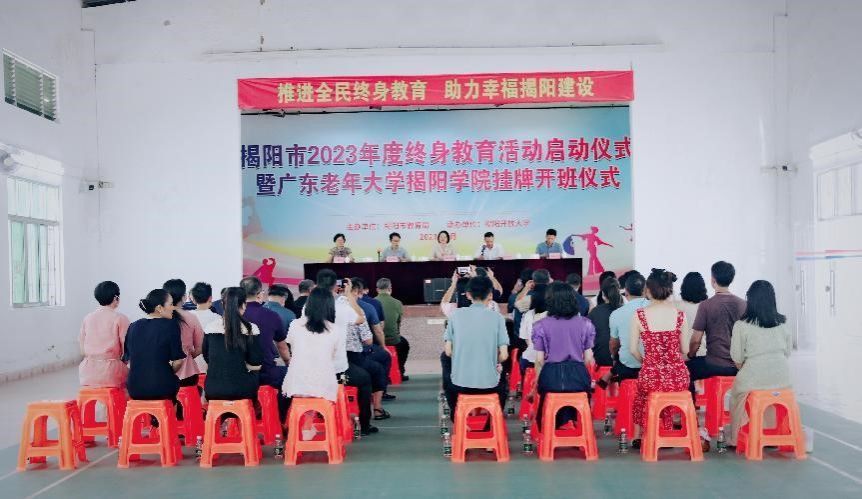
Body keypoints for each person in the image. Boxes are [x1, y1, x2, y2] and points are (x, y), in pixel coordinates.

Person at [629, 269, 691, 448]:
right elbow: (685, 350)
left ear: (648, 290)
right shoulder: (680, 315)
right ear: (669, 290)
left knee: (642, 395)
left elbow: (633, 350)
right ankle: (667, 430)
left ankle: (639, 436)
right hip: (678, 376)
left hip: (651, 375)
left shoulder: (639, 315)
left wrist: (646, 362)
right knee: (668, 393)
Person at [727, 280, 792, 446]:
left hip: (754, 376)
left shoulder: (741, 325)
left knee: (736, 396)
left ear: (750, 300)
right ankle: (771, 432)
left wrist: (748, 367)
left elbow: (737, 358)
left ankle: (736, 437)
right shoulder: (783, 323)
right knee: (771, 397)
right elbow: (787, 352)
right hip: (783, 379)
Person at [314, 269, 378, 435]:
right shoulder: (341, 307)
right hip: (337, 370)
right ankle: (364, 425)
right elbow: (360, 318)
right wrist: (349, 294)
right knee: (365, 379)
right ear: (336, 286)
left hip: (313, 370)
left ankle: (321, 415)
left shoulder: (308, 307)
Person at [530, 282, 596, 428]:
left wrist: (538, 381)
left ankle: (552, 425)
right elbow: (588, 359)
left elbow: (539, 360)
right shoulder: (586, 323)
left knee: (549, 395)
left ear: (550, 301)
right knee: (577, 394)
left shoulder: (540, 325)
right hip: (578, 376)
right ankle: (573, 422)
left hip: (551, 376)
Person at [443, 276, 509, 419]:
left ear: (468, 295)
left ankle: (458, 419)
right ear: (490, 295)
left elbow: (448, 352)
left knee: (448, 381)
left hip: (461, 384)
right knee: (503, 385)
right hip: (490, 384)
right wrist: (490, 360)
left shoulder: (455, 315)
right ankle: (493, 422)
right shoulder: (497, 318)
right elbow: (504, 356)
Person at [687, 261, 747, 391]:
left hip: (713, 365)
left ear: (713, 280)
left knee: (685, 369)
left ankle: (692, 403)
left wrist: (691, 355)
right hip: (738, 366)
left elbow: (696, 340)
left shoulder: (706, 305)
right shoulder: (743, 305)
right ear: (731, 279)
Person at [240, 276, 291, 417]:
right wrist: (288, 362)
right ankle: (278, 418)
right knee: (289, 376)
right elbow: (282, 346)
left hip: (239, 374)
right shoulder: (272, 315)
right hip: (266, 372)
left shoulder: (233, 316)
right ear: (260, 294)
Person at [202, 287, 263, 401]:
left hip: (213, 389)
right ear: (244, 305)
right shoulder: (251, 329)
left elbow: (207, 358)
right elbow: (256, 363)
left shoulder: (210, 327)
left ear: (222, 304)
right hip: (242, 390)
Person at [124, 289, 185, 401]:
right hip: (161, 387)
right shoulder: (171, 325)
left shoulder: (133, 326)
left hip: (134, 388)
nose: (173, 308)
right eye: (171, 304)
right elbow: (178, 361)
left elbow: (128, 360)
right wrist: (165, 372)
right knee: (174, 386)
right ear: (159, 308)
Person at [282, 288, 340, 403]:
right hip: (324, 387)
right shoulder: (334, 329)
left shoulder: (295, 325)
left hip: (296, 385)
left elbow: (292, 349)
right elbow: (333, 357)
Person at [346, 282, 392, 419]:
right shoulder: (363, 309)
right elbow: (372, 336)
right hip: (355, 356)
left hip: (328, 362)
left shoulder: (328, 307)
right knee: (379, 365)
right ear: (357, 292)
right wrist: (383, 346)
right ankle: (377, 408)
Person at [596, 272, 647, 388]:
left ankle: (611, 374)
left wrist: (614, 358)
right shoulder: (654, 308)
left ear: (626, 291)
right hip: (655, 366)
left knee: (623, 352)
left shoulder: (617, 314)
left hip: (628, 368)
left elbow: (614, 345)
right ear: (645, 291)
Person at [78, 281, 130, 388]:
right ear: (116, 298)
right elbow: (127, 349)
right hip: (112, 372)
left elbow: (82, 347)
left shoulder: (88, 318)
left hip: (87, 372)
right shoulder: (120, 318)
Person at [163, 279, 204, 387]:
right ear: (184, 297)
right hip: (188, 373)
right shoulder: (191, 317)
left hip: (161, 373)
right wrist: (188, 356)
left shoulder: (159, 318)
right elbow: (200, 347)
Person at [376, 278, 410, 380]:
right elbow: (398, 323)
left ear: (377, 289)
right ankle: (400, 371)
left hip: (376, 341)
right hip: (393, 340)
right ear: (390, 289)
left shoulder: (372, 302)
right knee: (404, 345)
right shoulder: (397, 303)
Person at [588, 277, 624, 367]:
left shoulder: (594, 312)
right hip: (623, 363)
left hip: (600, 361)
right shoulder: (625, 311)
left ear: (603, 294)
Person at [676, 272, 709, 358]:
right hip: (701, 353)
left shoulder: (676, 306)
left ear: (684, 287)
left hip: (681, 354)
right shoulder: (707, 306)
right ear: (702, 288)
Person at [518, 280, 548, 374]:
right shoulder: (555, 316)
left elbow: (525, 338)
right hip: (549, 362)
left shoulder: (527, 315)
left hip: (529, 359)